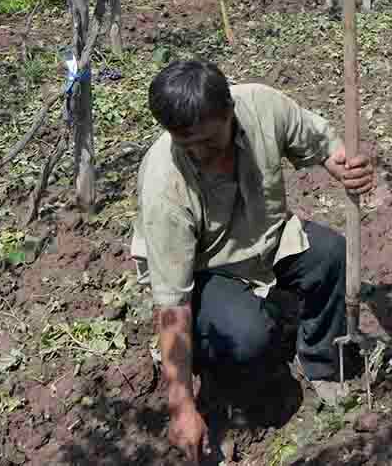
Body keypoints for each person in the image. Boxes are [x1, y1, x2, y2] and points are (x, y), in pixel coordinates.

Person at [130, 60, 376, 461]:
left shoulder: (261, 106)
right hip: (206, 271)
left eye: (207, 142)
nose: (197, 154)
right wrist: (182, 406)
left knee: (331, 254)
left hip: (267, 242)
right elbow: (173, 304)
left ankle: (320, 362)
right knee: (246, 335)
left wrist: (344, 164)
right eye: (185, 144)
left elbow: (320, 143)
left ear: (229, 112)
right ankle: (215, 376)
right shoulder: (164, 184)